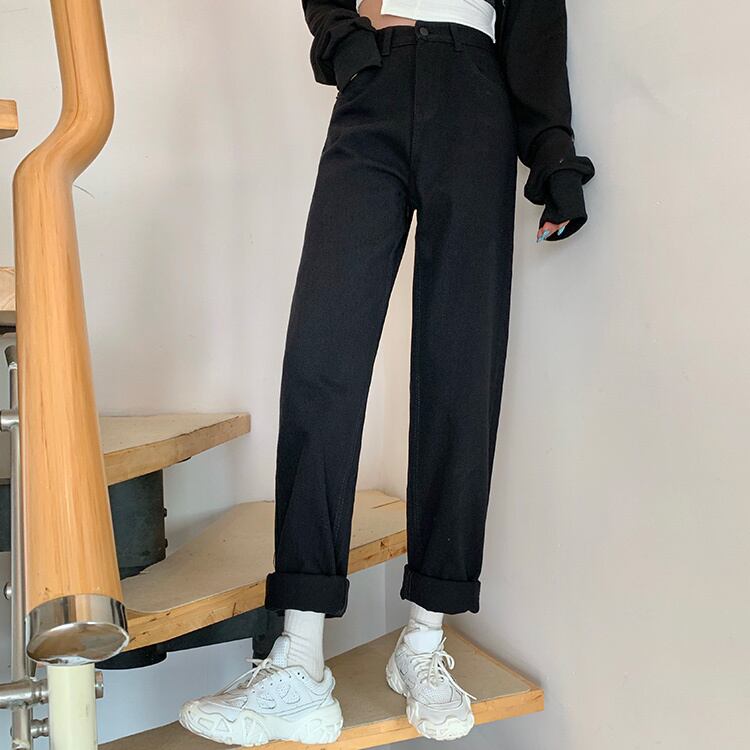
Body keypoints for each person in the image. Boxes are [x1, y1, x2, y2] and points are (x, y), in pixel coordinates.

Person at [180, 0, 595, 744]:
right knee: (322, 358)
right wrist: (348, 45)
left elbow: (535, 25)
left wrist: (554, 152)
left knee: (461, 368)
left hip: (476, 94)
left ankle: (424, 641)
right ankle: (299, 655)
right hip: (374, 81)